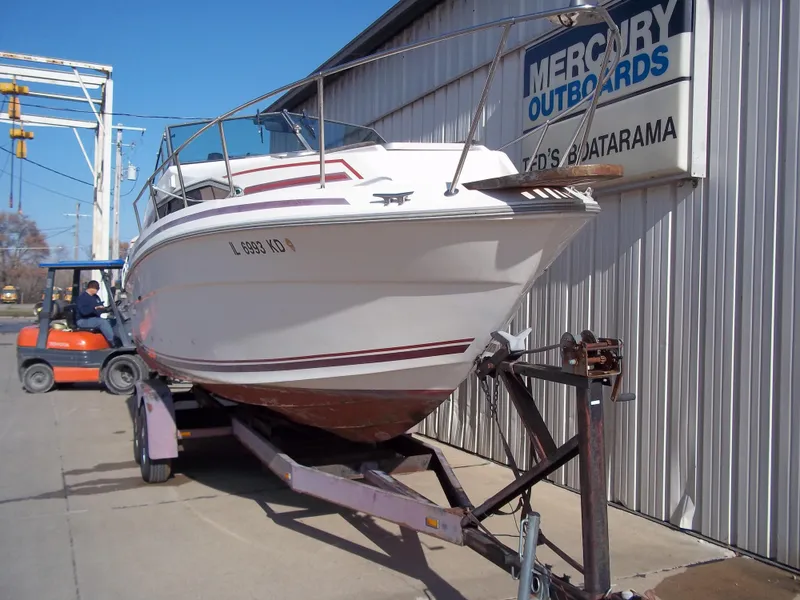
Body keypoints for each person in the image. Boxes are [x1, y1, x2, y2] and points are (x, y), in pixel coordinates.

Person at [75, 281, 117, 346]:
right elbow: (83, 312)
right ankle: (113, 341)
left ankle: (119, 339)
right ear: (92, 288)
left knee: (113, 321)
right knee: (102, 322)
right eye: (97, 288)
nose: (98, 290)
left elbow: (99, 308)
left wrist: (106, 309)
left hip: (94, 319)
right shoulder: (82, 298)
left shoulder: (96, 297)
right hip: (83, 320)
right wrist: (95, 308)